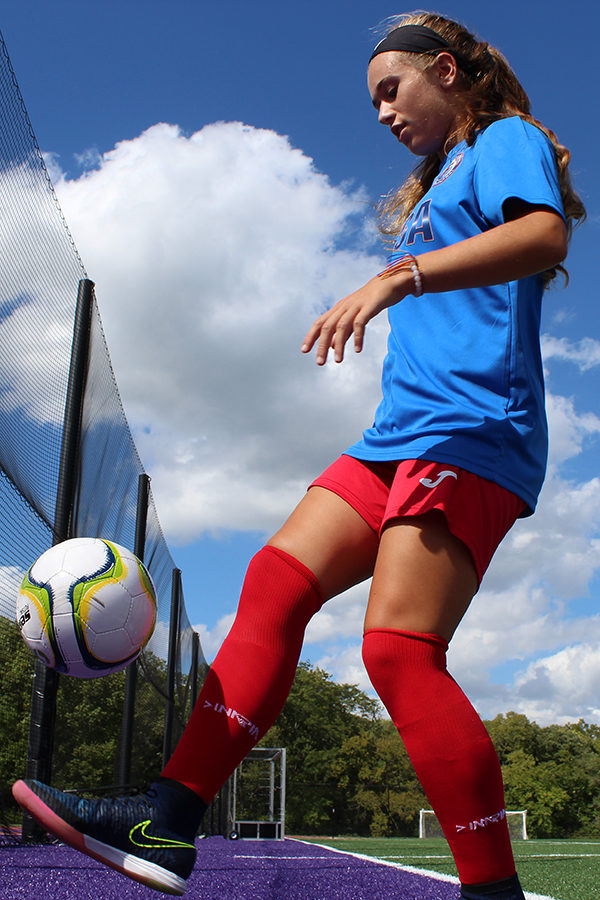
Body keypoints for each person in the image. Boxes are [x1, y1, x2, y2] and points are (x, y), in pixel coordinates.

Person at [13, 12, 584, 900]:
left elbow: (544, 236)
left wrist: (399, 277)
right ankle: (166, 821)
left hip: (472, 430)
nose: (383, 114)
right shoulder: (437, 187)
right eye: (374, 104)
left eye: (391, 90)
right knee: (274, 580)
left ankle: (491, 891)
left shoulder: (504, 139)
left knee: (397, 652)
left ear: (447, 70)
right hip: (398, 434)